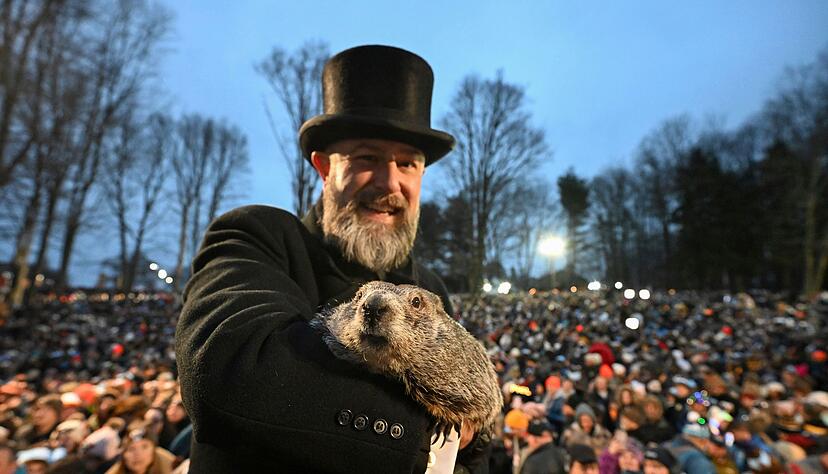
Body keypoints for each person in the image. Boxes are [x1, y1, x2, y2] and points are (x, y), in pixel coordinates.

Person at [175, 45, 493, 473]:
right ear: (325, 168)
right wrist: (425, 439)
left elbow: (473, 439)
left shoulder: (430, 287)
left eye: (407, 164)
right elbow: (229, 370)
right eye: (367, 158)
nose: (389, 182)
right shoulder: (258, 235)